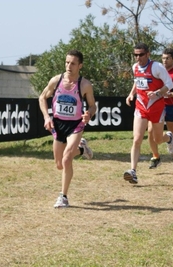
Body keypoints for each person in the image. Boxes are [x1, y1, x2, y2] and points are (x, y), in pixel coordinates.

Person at [38, 49, 97, 208]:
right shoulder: (56, 81)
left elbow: (93, 106)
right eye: (67, 62)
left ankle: (63, 197)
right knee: (59, 164)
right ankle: (82, 150)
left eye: (73, 63)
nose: (69, 66)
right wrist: (46, 116)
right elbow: (42, 97)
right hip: (58, 124)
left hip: (75, 125)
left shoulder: (84, 85)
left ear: (80, 66)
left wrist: (88, 114)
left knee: (66, 159)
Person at [124, 43, 173, 184]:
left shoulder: (157, 67)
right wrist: (131, 94)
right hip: (140, 106)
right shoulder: (135, 67)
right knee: (137, 139)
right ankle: (133, 171)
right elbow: (137, 82)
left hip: (156, 107)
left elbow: (169, 84)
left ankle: (169, 138)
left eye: (141, 54)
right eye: (136, 55)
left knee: (158, 139)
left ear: (148, 54)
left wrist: (158, 93)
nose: (138, 57)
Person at [147, 48, 173, 170]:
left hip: (170, 107)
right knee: (150, 131)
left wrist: (170, 94)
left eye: (167, 58)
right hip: (155, 105)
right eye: (163, 58)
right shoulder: (157, 71)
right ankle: (155, 157)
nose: (165, 60)